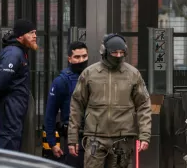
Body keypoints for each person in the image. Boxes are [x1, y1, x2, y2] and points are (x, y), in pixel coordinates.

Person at [67, 33, 152, 168]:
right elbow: (76, 105)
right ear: (105, 52)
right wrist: (72, 138)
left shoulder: (133, 74)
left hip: (123, 138)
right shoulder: (89, 74)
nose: (118, 56)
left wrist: (145, 135)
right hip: (95, 137)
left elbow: (143, 104)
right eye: (114, 52)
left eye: (121, 52)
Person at [0, 18, 38, 151]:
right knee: (8, 145)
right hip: (9, 111)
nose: (35, 36)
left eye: (35, 32)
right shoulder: (13, 53)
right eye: (31, 33)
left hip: (13, 111)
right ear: (21, 35)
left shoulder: (20, 52)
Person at [44, 41, 89, 167]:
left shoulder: (94, 77)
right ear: (69, 59)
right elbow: (50, 114)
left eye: (84, 56)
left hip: (94, 138)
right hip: (73, 139)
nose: (81, 60)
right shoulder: (62, 81)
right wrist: (52, 143)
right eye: (77, 57)